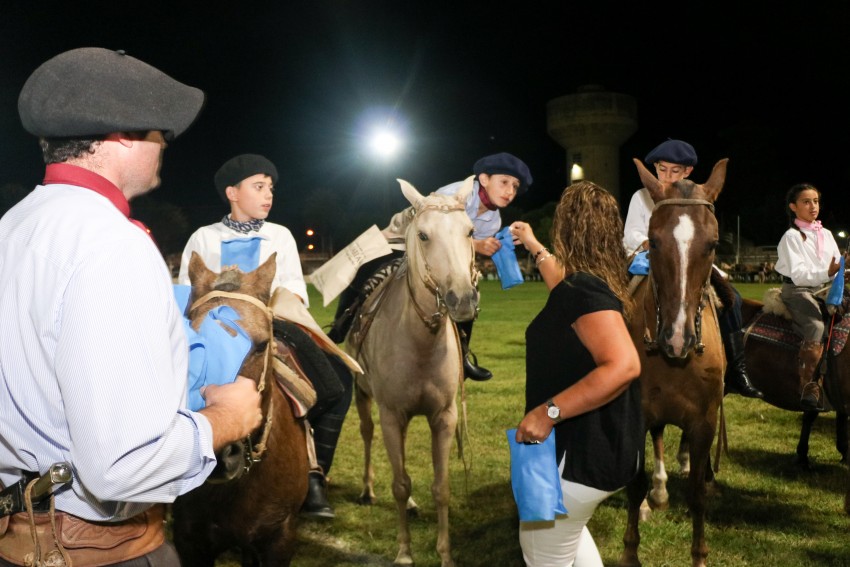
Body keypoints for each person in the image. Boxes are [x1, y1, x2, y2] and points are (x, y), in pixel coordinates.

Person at [0, 48, 262, 566]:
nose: (164, 144)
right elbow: (121, 464)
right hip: (99, 552)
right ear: (122, 136)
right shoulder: (110, 243)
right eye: (160, 131)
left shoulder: (14, 227)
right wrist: (224, 419)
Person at [178, 154, 354, 519]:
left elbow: (293, 289)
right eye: (259, 187)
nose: (268, 194)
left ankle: (313, 472)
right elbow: (189, 291)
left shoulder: (280, 236)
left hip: (272, 324)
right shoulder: (205, 237)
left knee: (337, 380)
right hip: (215, 334)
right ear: (232, 192)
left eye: (270, 188)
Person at [510, 181, 643, 566]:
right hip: (594, 453)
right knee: (570, 540)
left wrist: (547, 412)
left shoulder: (585, 291)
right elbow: (558, 281)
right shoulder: (585, 285)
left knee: (544, 557)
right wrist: (533, 245)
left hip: (573, 455)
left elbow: (624, 365)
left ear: (566, 228)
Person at [328, 152, 533, 381]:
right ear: (483, 179)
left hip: (436, 254)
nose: (510, 191)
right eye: (504, 182)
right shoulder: (450, 194)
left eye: (515, 187)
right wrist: (478, 244)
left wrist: (487, 250)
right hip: (409, 235)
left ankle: (462, 356)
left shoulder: (494, 220)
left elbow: (462, 252)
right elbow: (436, 232)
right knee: (366, 265)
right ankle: (340, 326)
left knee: (468, 289)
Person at [623, 139, 764, 399]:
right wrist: (644, 240)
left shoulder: (699, 197)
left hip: (688, 260)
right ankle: (614, 361)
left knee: (732, 300)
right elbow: (630, 232)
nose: (666, 176)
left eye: (674, 170)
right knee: (616, 299)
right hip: (649, 260)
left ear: (687, 172)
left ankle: (737, 370)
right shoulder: (642, 195)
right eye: (662, 169)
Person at [775, 183, 842, 409]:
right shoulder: (791, 237)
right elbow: (800, 275)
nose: (813, 206)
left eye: (815, 201)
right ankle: (809, 385)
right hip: (797, 290)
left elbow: (833, 267)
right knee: (816, 326)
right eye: (806, 202)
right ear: (793, 207)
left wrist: (843, 269)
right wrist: (828, 272)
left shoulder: (826, 234)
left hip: (824, 289)